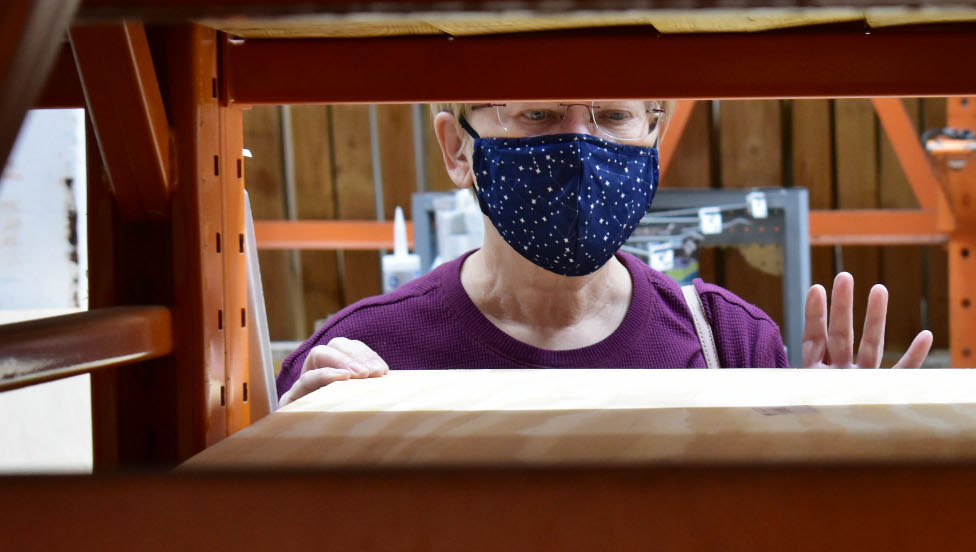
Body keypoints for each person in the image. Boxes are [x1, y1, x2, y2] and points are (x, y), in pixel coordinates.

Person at [276, 100, 932, 405]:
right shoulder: (361, 357)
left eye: (612, 116)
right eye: (538, 115)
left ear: (654, 132)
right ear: (457, 149)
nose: (580, 148)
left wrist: (834, 462)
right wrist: (298, 456)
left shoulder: (731, 346)